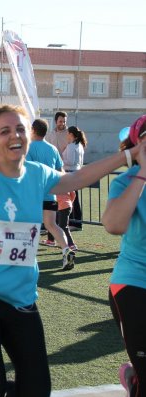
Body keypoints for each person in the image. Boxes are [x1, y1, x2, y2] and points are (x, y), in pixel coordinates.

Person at [0, 104, 144, 397]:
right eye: (5, 131)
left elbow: (78, 179)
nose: (15, 136)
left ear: (29, 136)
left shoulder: (37, 173)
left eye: (20, 129)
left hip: (21, 298)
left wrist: (129, 155)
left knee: (37, 390)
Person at [102, 114, 146, 397]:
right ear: (137, 144)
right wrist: (142, 174)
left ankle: (132, 379)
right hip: (135, 284)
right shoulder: (127, 181)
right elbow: (114, 225)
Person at [26, 118, 75, 270]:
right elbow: (61, 171)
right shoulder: (52, 149)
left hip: (33, 194)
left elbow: (27, 171)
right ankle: (66, 249)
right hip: (50, 193)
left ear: (32, 130)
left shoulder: (28, 148)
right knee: (52, 225)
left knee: (27, 226)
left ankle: (24, 259)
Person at [62, 126, 87, 231]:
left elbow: (70, 162)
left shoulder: (72, 146)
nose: (66, 135)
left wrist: (60, 161)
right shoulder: (79, 145)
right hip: (76, 172)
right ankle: (76, 222)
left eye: (67, 133)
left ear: (71, 134)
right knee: (74, 198)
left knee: (72, 199)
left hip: (70, 173)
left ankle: (74, 222)